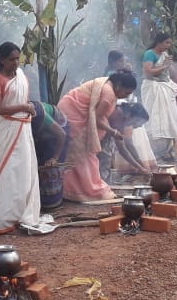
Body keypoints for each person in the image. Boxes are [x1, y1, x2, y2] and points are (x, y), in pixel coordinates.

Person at [58, 70, 138, 202]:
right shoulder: (109, 95)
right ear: (118, 85)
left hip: (69, 110)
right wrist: (113, 132)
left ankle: (73, 190)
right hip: (73, 115)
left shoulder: (107, 84)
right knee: (85, 155)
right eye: (126, 92)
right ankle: (92, 190)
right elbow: (96, 120)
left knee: (81, 156)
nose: (124, 97)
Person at [0, 42, 41, 234]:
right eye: (11, 59)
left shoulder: (20, 76)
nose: (16, 63)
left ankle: (23, 214)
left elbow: (22, 101)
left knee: (25, 171)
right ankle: (6, 218)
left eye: (18, 59)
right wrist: (23, 108)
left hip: (24, 128)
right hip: (9, 128)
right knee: (9, 171)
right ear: (2, 60)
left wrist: (28, 108)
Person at [141, 32, 177, 164]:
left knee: (169, 118)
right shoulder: (149, 54)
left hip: (165, 89)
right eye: (167, 43)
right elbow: (148, 71)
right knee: (154, 118)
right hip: (153, 89)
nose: (168, 46)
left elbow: (170, 73)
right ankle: (154, 152)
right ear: (159, 42)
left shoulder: (165, 55)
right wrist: (164, 65)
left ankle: (167, 151)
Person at [101, 102, 153, 180]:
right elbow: (124, 148)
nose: (140, 126)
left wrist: (141, 167)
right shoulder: (117, 115)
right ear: (134, 117)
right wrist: (141, 167)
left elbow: (123, 147)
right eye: (140, 122)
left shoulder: (123, 122)